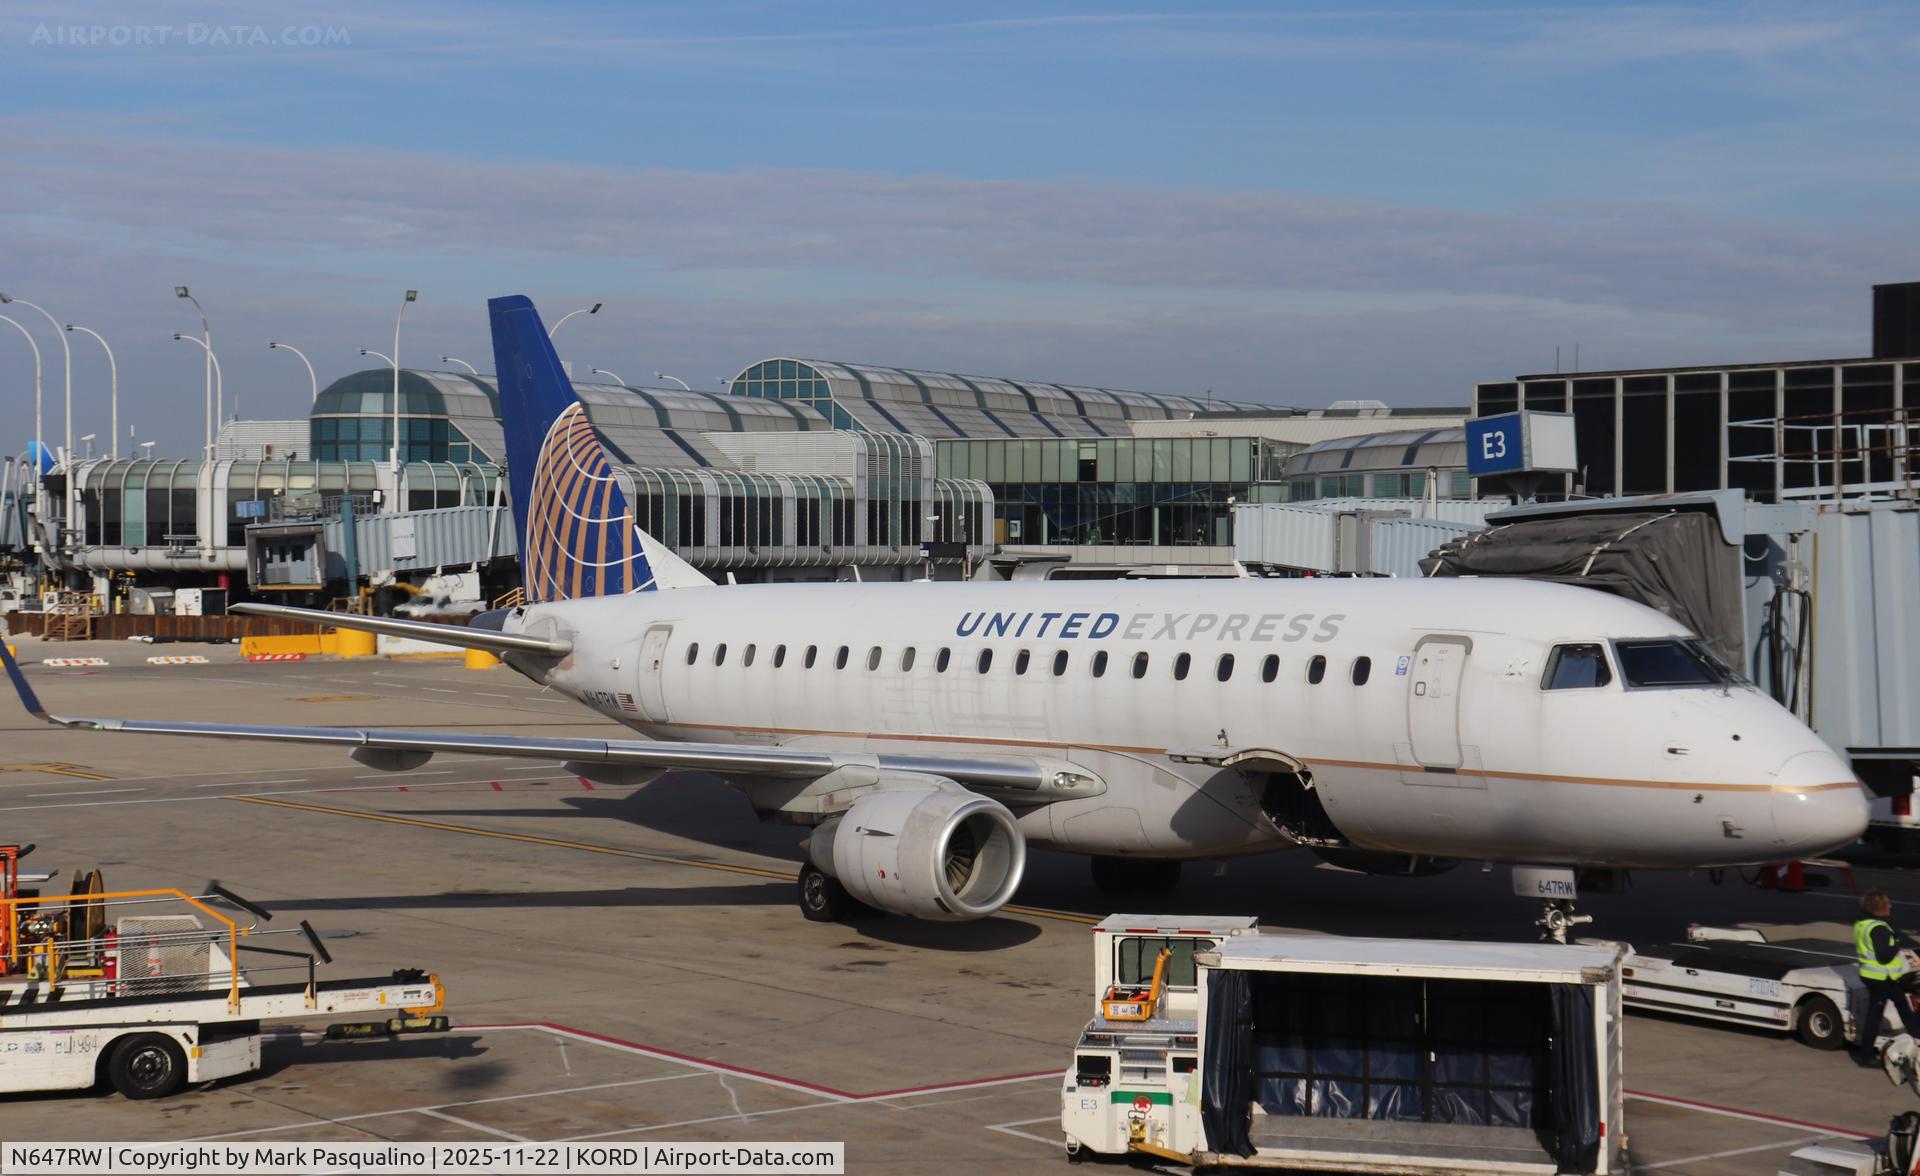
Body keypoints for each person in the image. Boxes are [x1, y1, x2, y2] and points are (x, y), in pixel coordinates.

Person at [1854, 889, 1920, 1062]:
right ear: (1880, 907)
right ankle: (1866, 1056)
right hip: (1880, 979)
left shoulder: (1863, 923)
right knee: (1874, 1016)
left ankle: (1917, 1037)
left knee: (1902, 1004)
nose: (1890, 906)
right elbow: (1884, 956)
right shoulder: (1878, 928)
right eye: (1887, 904)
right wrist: (1897, 941)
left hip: (1877, 977)